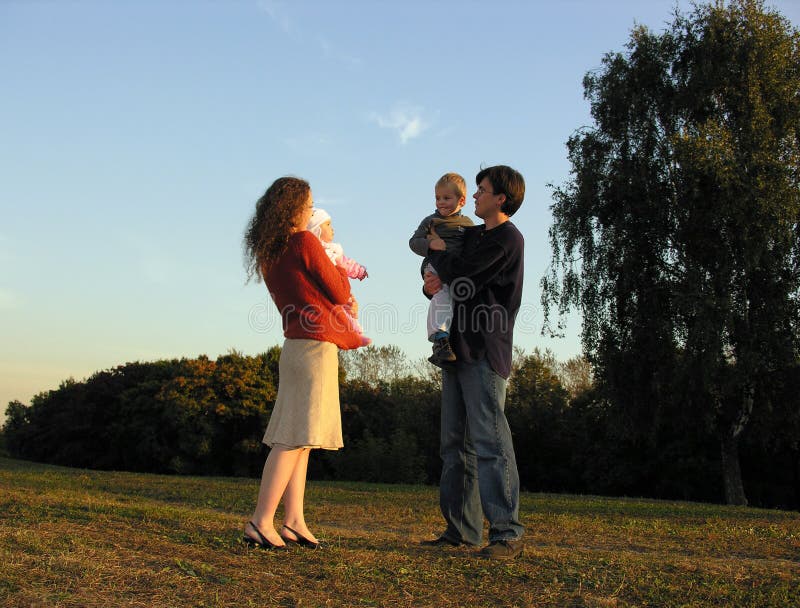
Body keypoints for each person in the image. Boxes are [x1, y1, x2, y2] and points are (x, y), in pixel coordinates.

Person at [242, 176, 366, 551]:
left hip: (295, 345)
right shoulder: (304, 241)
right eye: (309, 204)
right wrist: (346, 293)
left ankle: (293, 520)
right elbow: (341, 289)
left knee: (300, 437)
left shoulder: (271, 251)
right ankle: (261, 521)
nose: (313, 210)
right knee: (293, 439)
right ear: (294, 208)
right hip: (314, 346)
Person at [420, 165, 526, 560]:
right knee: (454, 445)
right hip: (455, 349)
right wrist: (429, 280)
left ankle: (507, 533)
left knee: (490, 443)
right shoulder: (474, 234)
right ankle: (461, 531)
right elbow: (445, 275)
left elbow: (463, 279)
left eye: (482, 190)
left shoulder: (506, 240)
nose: (476, 195)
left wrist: (442, 261)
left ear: (501, 198)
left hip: (484, 349)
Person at [409, 173, 474, 367]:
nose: (441, 202)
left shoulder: (468, 225)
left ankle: (449, 338)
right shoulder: (431, 221)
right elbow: (413, 242)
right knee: (442, 293)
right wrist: (431, 245)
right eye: (438, 198)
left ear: (461, 200)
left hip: (454, 270)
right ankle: (440, 338)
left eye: (446, 198)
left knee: (454, 295)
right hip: (434, 266)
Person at [307, 208, 371, 346]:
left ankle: (356, 334)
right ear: (316, 229)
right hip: (324, 291)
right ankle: (351, 336)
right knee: (340, 313)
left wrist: (359, 271)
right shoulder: (314, 251)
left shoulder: (334, 249)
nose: (332, 229)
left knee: (347, 307)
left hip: (338, 286)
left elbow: (347, 263)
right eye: (328, 225)